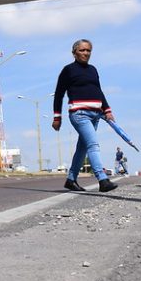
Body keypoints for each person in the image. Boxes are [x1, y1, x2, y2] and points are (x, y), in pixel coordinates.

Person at [52, 39, 118, 193]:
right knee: (93, 145)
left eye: (88, 50)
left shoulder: (93, 70)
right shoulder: (68, 70)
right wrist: (57, 117)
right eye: (82, 50)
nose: (86, 53)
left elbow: (99, 91)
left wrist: (107, 110)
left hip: (96, 114)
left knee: (82, 148)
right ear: (74, 53)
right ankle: (102, 179)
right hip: (79, 114)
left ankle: (71, 180)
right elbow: (59, 94)